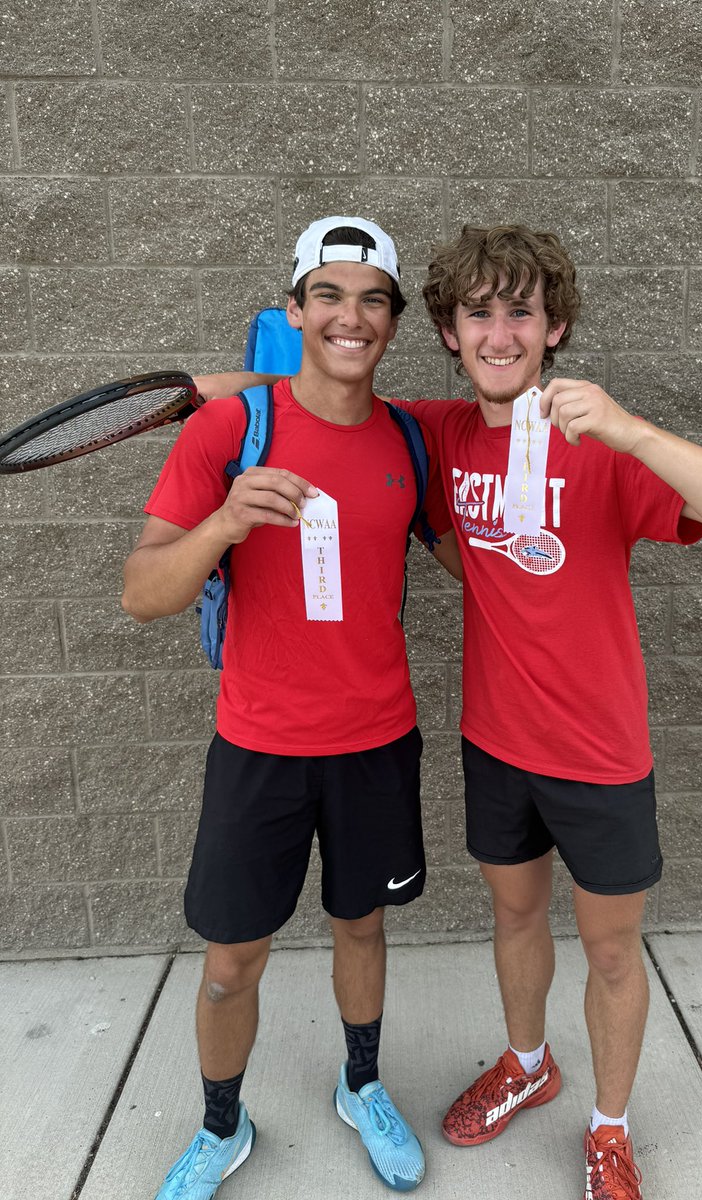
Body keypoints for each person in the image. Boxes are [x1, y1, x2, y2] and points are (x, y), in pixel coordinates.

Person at [198, 222, 702, 1200]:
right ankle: (528, 1063)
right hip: (497, 745)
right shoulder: (435, 430)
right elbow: (314, 397)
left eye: (521, 311)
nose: (500, 332)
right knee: (516, 918)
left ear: (553, 326)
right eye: (480, 312)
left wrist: (630, 428)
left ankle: (608, 1127)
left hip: (601, 749)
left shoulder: (596, 441)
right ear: (447, 330)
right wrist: (201, 396)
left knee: (609, 948)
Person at [122, 215, 457, 1200]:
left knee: (364, 928)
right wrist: (225, 519)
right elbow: (143, 590)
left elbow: (474, 553)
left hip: (377, 742)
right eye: (329, 294)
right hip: (258, 745)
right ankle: (222, 1127)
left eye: (372, 299)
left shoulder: (409, 435)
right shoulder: (232, 432)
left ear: (391, 321)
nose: (350, 316)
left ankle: (362, 1086)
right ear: (295, 308)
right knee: (230, 964)